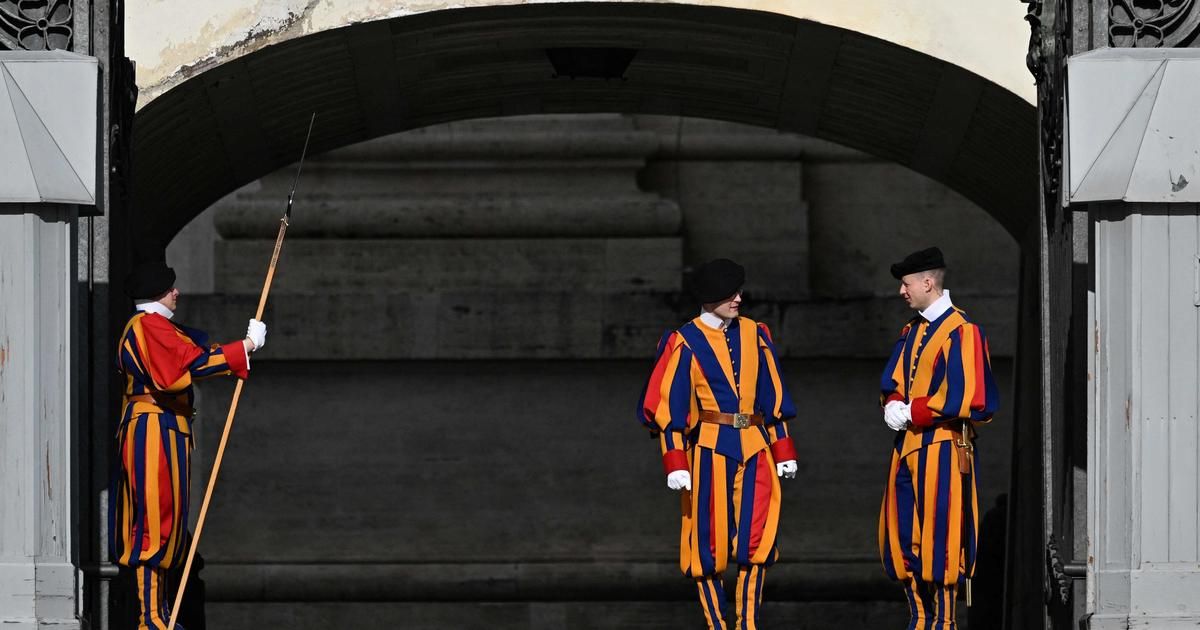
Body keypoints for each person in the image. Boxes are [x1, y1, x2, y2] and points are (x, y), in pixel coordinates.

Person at [638, 258, 799, 630]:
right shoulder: (685, 341)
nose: (739, 299)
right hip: (710, 447)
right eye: (731, 293)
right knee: (707, 544)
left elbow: (772, 395)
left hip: (756, 444)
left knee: (757, 541)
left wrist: (783, 448)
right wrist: (675, 460)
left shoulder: (756, 334)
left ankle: (747, 625)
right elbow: (671, 406)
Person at [110, 257, 267, 630]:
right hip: (153, 430)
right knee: (155, 526)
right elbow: (190, 365)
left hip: (166, 429)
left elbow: (193, 355)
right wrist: (244, 346)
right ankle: (150, 619)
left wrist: (241, 352)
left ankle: (159, 613)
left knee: (170, 525)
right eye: (169, 288)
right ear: (155, 294)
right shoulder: (148, 326)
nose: (176, 292)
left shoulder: (158, 327)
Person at [877, 247, 1000, 630]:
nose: (902, 291)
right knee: (902, 532)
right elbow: (894, 380)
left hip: (944, 444)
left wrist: (911, 411)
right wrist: (894, 404)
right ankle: (920, 618)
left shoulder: (962, 331)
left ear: (927, 283)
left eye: (907, 283)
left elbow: (967, 395)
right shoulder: (911, 331)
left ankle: (944, 622)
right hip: (908, 446)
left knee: (942, 535)